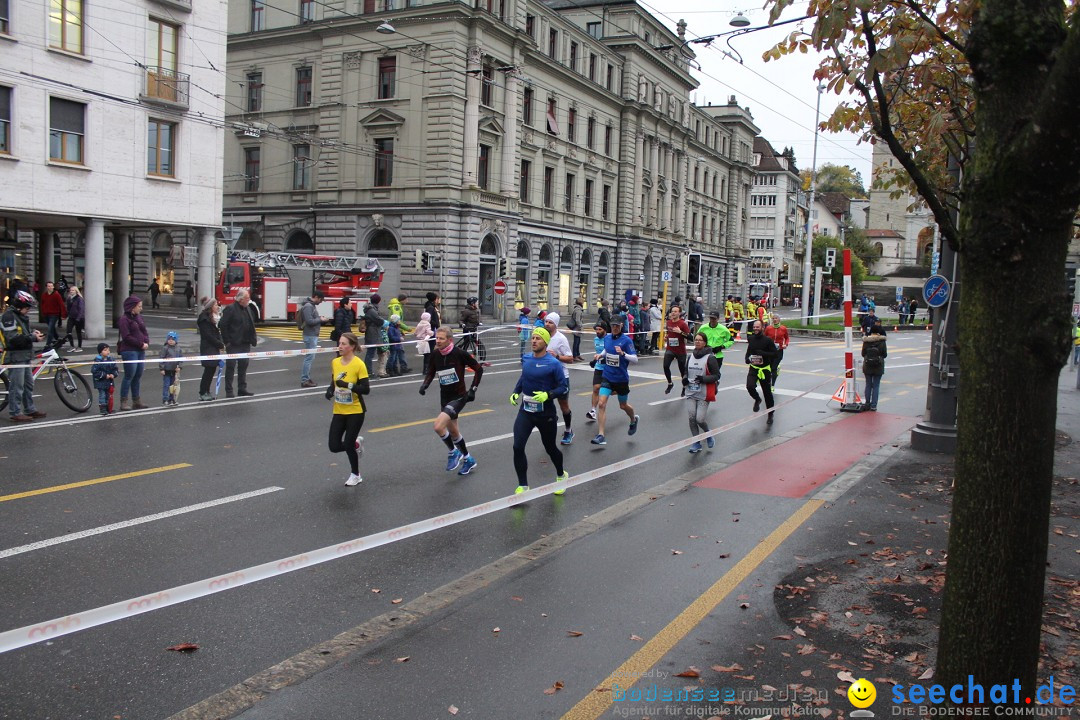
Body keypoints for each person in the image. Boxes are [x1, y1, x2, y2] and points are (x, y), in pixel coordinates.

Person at [510, 326, 570, 495]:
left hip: (546, 414)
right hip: (526, 411)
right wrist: (515, 392)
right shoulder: (527, 358)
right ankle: (523, 485)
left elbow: (563, 387)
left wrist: (548, 395)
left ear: (546, 342)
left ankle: (561, 475)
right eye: (533, 338)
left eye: (538, 338)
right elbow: (523, 377)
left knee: (550, 447)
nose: (534, 340)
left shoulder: (554, 363)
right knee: (517, 446)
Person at [419, 327, 484, 475]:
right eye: (437, 338)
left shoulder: (459, 353)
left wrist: (473, 389)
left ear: (450, 340)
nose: (438, 341)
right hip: (445, 397)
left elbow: (478, 369)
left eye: (441, 338)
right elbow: (431, 371)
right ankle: (468, 459)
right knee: (454, 432)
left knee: (438, 427)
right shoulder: (436, 354)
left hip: (459, 397)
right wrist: (425, 385)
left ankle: (453, 452)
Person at [325, 332, 371, 486]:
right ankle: (356, 444)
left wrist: (349, 386)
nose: (340, 346)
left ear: (352, 347)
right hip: (339, 410)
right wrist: (330, 390)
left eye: (344, 344)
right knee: (334, 446)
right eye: (340, 343)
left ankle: (356, 474)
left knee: (348, 443)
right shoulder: (335, 362)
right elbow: (335, 380)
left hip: (356, 411)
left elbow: (366, 389)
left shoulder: (359, 364)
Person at [591, 315, 639, 445]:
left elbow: (635, 359)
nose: (615, 328)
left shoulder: (626, 341)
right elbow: (607, 349)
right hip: (607, 376)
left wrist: (623, 354)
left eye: (617, 326)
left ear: (622, 326)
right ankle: (601, 435)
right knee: (601, 404)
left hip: (621, 379)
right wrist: (600, 355)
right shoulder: (607, 338)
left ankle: (633, 419)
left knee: (623, 405)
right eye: (613, 325)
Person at [1, 290, 47, 422]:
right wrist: (32, 337)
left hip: (24, 355)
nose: (28, 311)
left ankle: (30, 409)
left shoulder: (20, 316)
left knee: (28, 384)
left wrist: (33, 333)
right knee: (17, 385)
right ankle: (15, 412)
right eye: (27, 308)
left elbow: (23, 334)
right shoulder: (9, 317)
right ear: (19, 305)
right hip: (15, 356)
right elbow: (13, 339)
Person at [685, 332, 722, 453]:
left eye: (700, 340)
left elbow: (717, 375)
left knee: (699, 419)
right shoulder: (690, 356)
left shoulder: (710, 358)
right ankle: (696, 443)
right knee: (691, 418)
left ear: (705, 343)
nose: (697, 342)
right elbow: (686, 372)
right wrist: (684, 379)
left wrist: (703, 379)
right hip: (691, 391)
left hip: (704, 393)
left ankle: (708, 434)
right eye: (696, 340)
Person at [543, 312, 575, 444]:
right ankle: (552, 421)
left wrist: (556, 356)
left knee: (563, 406)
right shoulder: (542, 337)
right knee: (545, 404)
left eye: (550, 322)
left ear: (555, 325)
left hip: (561, 378)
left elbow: (570, 359)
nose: (547, 324)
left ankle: (568, 430)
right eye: (546, 322)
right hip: (546, 378)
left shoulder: (561, 339)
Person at [220, 289, 258, 398]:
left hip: (245, 343)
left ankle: (242, 388)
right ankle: (229, 390)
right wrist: (227, 342)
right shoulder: (231, 309)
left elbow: (251, 324)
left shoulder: (248, 309)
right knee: (231, 367)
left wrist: (252, 338)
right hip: (233, 344)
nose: (249, 300)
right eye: (247, 298)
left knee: (243, 367)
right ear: (241, 299)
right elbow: (223, 325)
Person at [118, 295, 150, 411]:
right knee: (129, 376)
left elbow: (144, 331)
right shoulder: (124, 320)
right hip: (130, 351)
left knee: (137, 376)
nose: (141, 308)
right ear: (132, 307)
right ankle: (124, 401)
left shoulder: (138, 317)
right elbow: (126, 336)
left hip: (140, 350)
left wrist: (146, 341)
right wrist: (140, 344)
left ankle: (136, 401)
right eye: (139, 306)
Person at [745, 320, 779, 424]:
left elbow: (775, 354)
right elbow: (748, 351)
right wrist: (747, 358)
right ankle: (757, 399)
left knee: (767, 393)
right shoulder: (751, 339)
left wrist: (763, 353)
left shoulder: (768, 340)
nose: (755, 329)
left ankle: (770, 414)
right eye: (754, 327)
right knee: (750, 386)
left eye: (757, 327)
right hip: (754, 368)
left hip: (764, 370)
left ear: (762, 328)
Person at [197, 298, 225, 401]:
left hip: (213, 348)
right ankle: (203, 392)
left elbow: (217, 333)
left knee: (211, 370)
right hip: (208, 348)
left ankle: (207, 391)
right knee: (208, 370)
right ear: (210, 307)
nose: (217, 306)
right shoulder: (204, 319)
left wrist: (220, 343)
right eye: (215, 305)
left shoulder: (213, 319)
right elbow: (208, 335)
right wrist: (219, 344)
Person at [299, 291, 327, 388]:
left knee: (310, 357)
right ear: (316, 297)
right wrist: (320, 319)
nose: (321, 302)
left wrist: (319, 318)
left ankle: (306, 378)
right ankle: (305, 379)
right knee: (309, 358)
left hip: (312, 335)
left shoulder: (310, 306)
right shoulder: (308, 306)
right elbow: (309, 321)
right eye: (320, 299)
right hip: (310, 335)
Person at [662, 304, 691, 395]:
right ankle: (670, 383)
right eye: (672, 311)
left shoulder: (683, 324)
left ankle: (684, 386)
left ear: (679, 313)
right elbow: (669, 333)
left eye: (675, 311)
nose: (673, 313)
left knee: (682, 370)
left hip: (680, 350)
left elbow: (691, 337)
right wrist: (667, 337)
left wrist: (681, 332)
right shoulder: (669, 322)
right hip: (670, 348)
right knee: (666, 366)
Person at [585, 321, 608, 423]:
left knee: (613, 390)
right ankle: (593, 410)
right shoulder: (595, 339)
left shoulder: (609, 339)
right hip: (599, 367)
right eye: (596, 330)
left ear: (605, 330)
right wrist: (594, 361)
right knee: (596, 388)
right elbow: (598, 353)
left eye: (600, 329)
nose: (597, 332)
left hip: (608, 368)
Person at [861, 321, 888, 411]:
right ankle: (874, 405)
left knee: (868, 385)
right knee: (876, 385)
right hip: (878, 365)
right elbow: (885, 354)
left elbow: (863, 353)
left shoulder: (866, 341)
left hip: (867, 365)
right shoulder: (882, 341)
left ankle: (867, 403)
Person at [363, 294, 389, 378]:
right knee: (370, 353)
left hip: (374, 333)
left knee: (373, 353)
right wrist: (383, 322)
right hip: (373, 333)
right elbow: (378, 320)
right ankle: (368, 372)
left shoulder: (371, 309)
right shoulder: (372, 310)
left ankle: (377, 371)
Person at [764, 314, 790, 388]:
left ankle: (772, 385)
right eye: (773, 318)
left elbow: (787, 338)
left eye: (776, 318)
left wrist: (786, 344)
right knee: (769, 367)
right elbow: (764, 337)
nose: (774, 320)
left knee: (773, 368)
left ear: (779, 319)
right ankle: (768, 381)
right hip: (769, 351)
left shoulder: (783, 328)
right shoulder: (768, 328)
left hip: (779, 350)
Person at [92, 342, 119, 415]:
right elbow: (95, 372)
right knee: (102, 394)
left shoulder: (111, 359)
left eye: (108, 350)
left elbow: (115, 369)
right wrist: (104, 375)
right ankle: (103, 408)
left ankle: (108, 408)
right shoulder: (98, 361)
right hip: (100, 382)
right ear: (100, 352)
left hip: (109, 381)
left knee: (108, 394)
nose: (108, 351)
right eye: (105, 350)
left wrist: (113, 374)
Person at [159, 331, 183, 406]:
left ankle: (172, 398)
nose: (171, 341)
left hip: (174, 370)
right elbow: (161, 358)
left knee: (173, 386)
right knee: (166, 385)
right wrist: (162, 369)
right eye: (169, 339)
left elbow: (181, 359)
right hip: (166, 370)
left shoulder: (178, 349)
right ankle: (165, 399)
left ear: (176, 340)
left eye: (173, 339)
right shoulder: (165, 348)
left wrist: (180, 367)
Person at [39, 281, 66, 346]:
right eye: (49, 286)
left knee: (50, 329)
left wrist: (63, 314)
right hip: (46, 314)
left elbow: (61, 304)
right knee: (52, 328)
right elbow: (42, 304)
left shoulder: (56, 294)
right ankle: (57, 338)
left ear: (53, 287)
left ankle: (48, 344)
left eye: (51, 286)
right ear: (46, 287)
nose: (50, 287)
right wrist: (43, 312)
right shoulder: (44, 295)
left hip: (54, 314)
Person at [65, 285, 85, 352]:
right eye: (70, 290)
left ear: (76, 291)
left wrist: (78, 318)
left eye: (73, 290)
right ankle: (72, 346)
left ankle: (79, 346)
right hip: (71, 317)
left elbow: (81, 309)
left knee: (78, 332)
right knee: (68, 331)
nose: (71, 291)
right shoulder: (69, 299)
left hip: (78, 318)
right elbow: (68, 308)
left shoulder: (79, 299)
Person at [415, 311, 434, 375]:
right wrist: (432, 333)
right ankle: (426, 369)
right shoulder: (427, 324)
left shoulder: (419, 323)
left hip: (419, 340)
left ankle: (425, 369)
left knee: (425, 355)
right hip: (425, 340)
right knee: (427, 355)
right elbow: (429, 332)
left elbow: (416, 332)